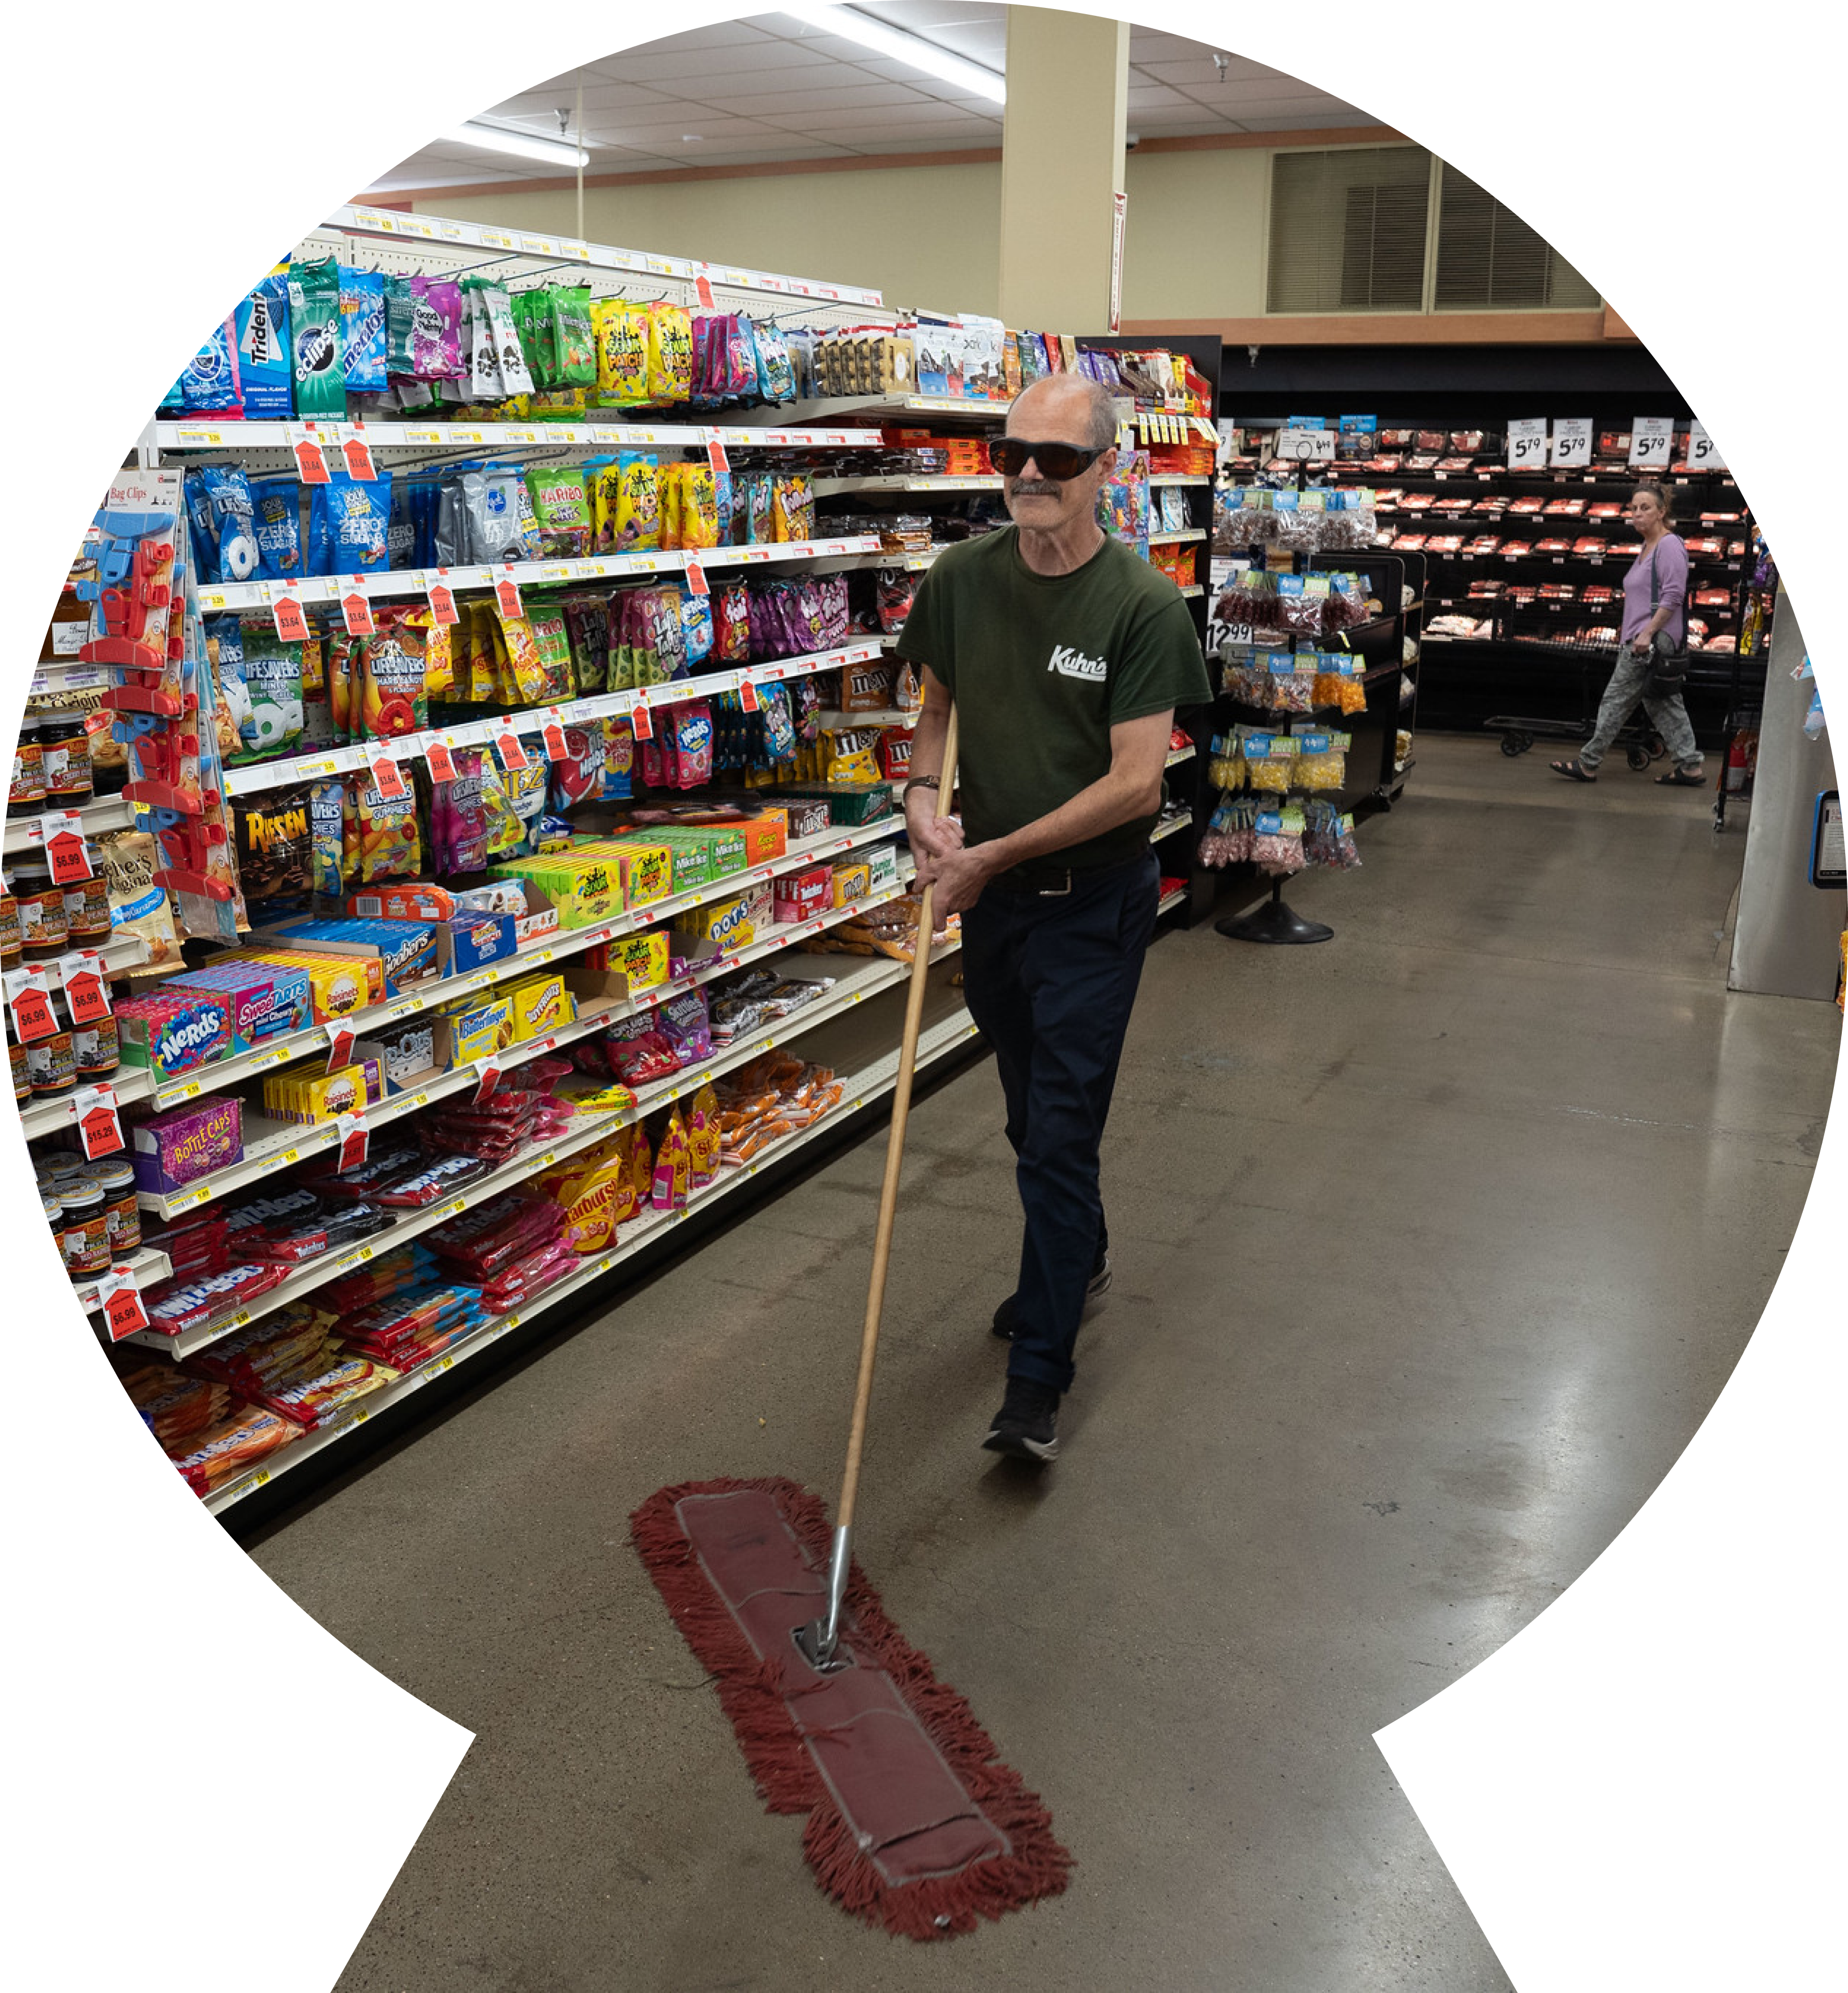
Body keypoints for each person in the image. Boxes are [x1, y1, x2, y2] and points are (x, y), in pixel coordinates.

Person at [895, 373, 1213, 1463]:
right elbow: (934, 711)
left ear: (1105, 471)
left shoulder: (1140, 604)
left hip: (1089, 907)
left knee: (1060, 1134)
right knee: (1031, 1118)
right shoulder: (959, 578)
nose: (1028, 475)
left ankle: (1035, 1383)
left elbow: (1134, 787)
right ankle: (1073, 1259)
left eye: (1057, 460)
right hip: (993, 910)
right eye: (1011, 453)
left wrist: (989, 854)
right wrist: (919, 806)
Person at [1550, 483, 1705, 786]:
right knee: (1664, 703)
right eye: (1633, 508)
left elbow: (1673, 596)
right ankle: (1689, 766)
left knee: (1616, 699)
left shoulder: (1669, 545)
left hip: (1651, 641)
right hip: (1646, 638)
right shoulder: (1647, 547)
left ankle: (1588, 763)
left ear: (1662, 511)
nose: (1637, 514)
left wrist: (1646, 634)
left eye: (1645, 508)